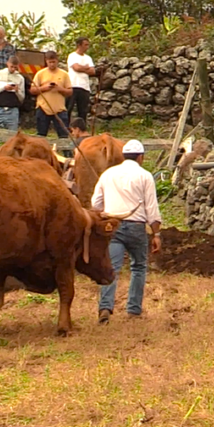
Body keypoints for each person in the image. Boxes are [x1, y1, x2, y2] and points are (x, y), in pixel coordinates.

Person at [92, 140, 162, 323]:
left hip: (112, 225)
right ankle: (133, 310)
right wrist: (156, 234)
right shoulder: (145, 176)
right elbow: (152, 208)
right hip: (136, 227)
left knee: (112, 268)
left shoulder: (108, 174)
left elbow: (95, 204)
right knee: (138, 266)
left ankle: (105, 307)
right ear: (140, 157)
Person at [30, 51, 71, 138]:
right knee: (41, 135)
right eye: (50, 62)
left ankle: (67, 152)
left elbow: (70, 92)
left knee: (64, 135)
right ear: (46, 61)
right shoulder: (40, 74)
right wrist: (44, 88)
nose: (52, 64)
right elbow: (32, 90)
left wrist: (60, 89)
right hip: (43, 107)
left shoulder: (64, 74)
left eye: (54, 62)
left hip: (59, 109)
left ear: (57, 61)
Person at [0, 55, 25, 131]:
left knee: (12, 133)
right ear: (7, 63)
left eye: (15, 67)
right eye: (12, 66)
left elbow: (22, 98)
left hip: (12, 110)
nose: (13, 69)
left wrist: (17, 91)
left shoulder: (20, 78)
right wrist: (4, 87)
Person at [67, 37, 96, 126]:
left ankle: (81, 128)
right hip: (73, 85)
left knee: (83, 110)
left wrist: (82, 68)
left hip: (84, 86)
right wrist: (86, 68)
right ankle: (66, 128)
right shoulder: (72, 56)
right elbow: (76, 68)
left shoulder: (88, 58)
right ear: (79, 45)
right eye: (85, 45)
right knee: (69, 108)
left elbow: (93, 71)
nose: (87, 47)